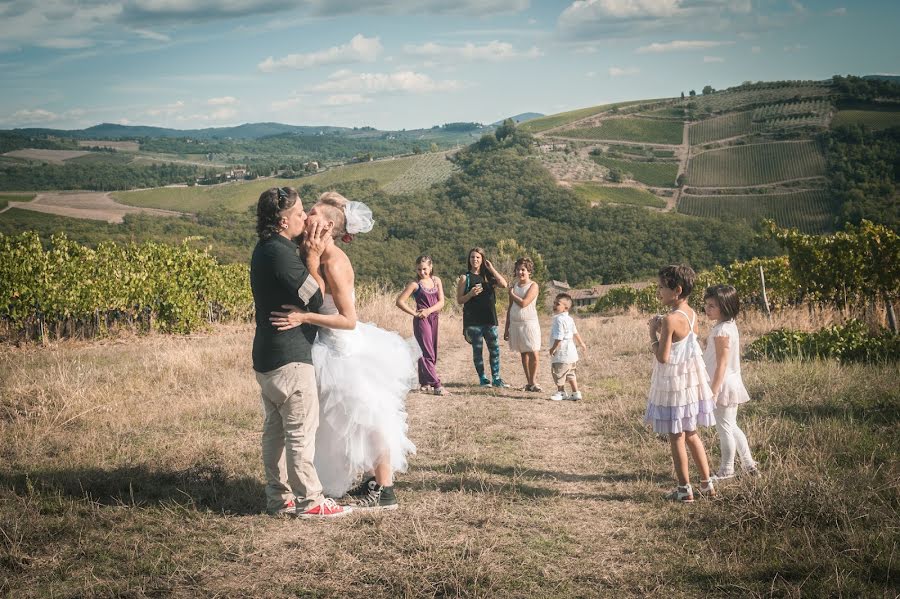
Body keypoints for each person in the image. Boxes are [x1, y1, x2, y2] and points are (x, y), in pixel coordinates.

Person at [270, 191, 418, 511]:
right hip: (328, 347)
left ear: (327, 226)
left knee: (367, 419)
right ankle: (368, 481)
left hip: (344, 353)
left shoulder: (334, 261)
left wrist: (304, 317)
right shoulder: (316, 253)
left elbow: (348, 320)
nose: (307, 216)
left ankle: (385, 491)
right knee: (338, 425)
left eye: (312, 213)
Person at [249, 186, 350, 519]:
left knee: (275, 432)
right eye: (299, 213)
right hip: (290, 356)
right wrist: (310, 258)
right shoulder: (282, 255)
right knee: (299, 433)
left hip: (267, 356)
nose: (305, 217)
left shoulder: (265, 248)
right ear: (282, 220)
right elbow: (316, 298)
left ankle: (279, 499)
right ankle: (311, 500)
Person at [645, 265, 717, 503]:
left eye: (662, 287)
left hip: (675, 386)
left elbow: (663, 357)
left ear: (676, 290)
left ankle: (684, 488)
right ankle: (707, 484)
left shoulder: (669, 319)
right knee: (692, 434)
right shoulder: (692, 314)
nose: (659, 292)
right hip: (690, 383)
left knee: (676, 436)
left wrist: (652, 334)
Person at [703, 284, 758, 481]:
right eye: (707, 305)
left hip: (723, 383)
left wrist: (714, 391)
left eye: (712, 306)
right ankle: (749, 464)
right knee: (731, 425)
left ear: (725, 307)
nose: (707, 309)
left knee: (724, 428)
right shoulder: (728, 326)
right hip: (730, 381)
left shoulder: (721, 331)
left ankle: (727, 470)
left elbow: (722, 364)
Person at [456, 247, 510, 388]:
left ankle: (496, 378)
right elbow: (459, 300)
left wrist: (491, 269)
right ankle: (483, 378)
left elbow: (504, 284)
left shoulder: (489, 277)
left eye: (478, 257)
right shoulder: (465, 278)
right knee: (477, 350)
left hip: (489, 318)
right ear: (469, 259)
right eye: (472, 257)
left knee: (495, 349)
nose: (475, 259)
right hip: (473, 320)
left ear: (482, 259)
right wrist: (470, 294)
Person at [396, 255, 449, 396]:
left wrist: (428, 310)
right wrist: (414, 313)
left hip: (433, 317)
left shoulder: (436, 280)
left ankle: (424, 383)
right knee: (427, 352)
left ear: (430, 267)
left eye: (425, 269)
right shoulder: (415, 284)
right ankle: (437, 385)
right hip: (421, 321)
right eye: (419, 269)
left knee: (432, 351)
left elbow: (442, 302)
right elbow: (400, 301)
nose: (422, 272)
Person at [504, 257, 542, 391]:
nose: (520, 272)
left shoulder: (533, 285)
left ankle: (534, 381)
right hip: (515, 324)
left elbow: (524, 303)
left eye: (523, 270)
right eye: (518, 269)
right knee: (523, 353)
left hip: (529, 324)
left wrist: (511, 294)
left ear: (529, 271)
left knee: (534, 353)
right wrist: (506, 327)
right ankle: (530, 383)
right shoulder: (514, 286)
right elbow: (510, 307)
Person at [547, 293, 587, 401]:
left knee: (558, 372)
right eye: (554, 303)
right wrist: (581, 343)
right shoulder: (569, 319)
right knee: (570, 372)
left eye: (557, 304)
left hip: (562, 352)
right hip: (571, 352)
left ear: (566, 308)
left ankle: (561, 392)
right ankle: (575, 392)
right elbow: (575, 332)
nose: (554, 305)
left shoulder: (558, 319)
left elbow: (559, 337)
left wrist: (553, 348)